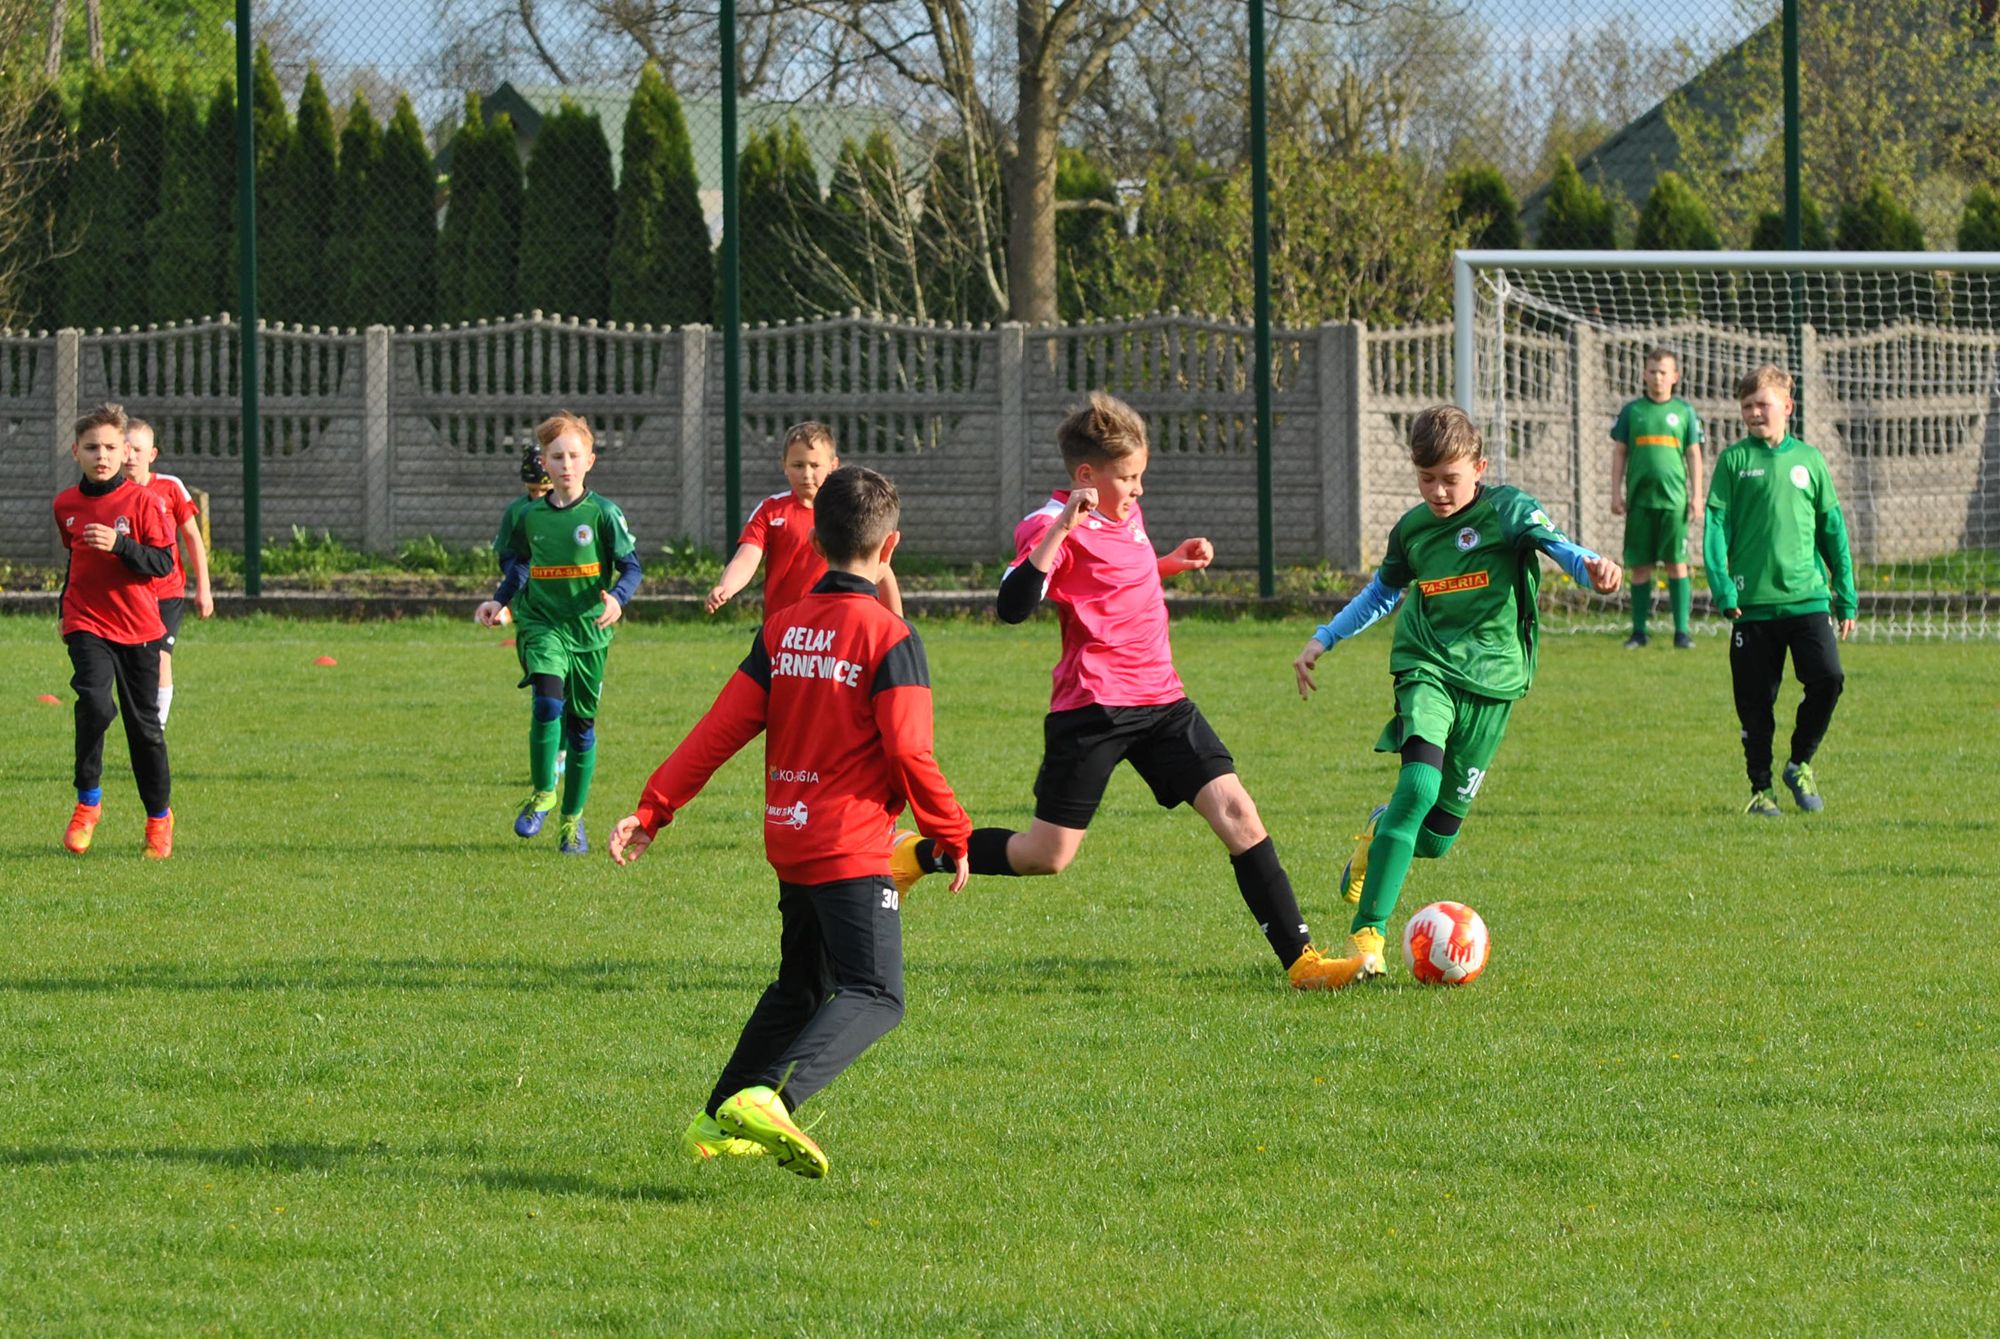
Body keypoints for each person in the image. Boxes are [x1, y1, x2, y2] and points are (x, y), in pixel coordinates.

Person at [893, 391, 1348, 990]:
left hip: (1164, 702)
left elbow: (1112, 580)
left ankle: (1303, 963)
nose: (1138, 490)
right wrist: (1062, 527)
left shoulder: (1126, 514)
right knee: (1046, 856)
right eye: (1128, 477)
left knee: (1239, 813)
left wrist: (1169, 564)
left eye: (1140, 476)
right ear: (1087, 476)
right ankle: (918, 854)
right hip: (1094, 711)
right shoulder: (1047, 525)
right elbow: (1012, 605)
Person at [609, 466, 971, 1178]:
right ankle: (771, 1098)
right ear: (889, 546)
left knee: (801, 987)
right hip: (851, 848)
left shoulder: (783, 628)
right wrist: (951, 831)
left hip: (791, 835)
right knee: (876, 992)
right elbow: (908, 748)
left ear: (817, 536)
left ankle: (714, 1120)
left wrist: (656, 807)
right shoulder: (891, 636)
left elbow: (720, 728)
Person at [1291, 405, 1621, 986]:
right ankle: (1368, 938)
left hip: (1494, 684)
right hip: (1426, 667)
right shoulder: (1413, 531)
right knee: (1416, 784)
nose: (1439, 492)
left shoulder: (1508, 510)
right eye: (1427, 479)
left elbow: (1558, 544)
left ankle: (1376, 835)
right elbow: (1380, 594)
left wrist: (1589, 565)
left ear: (1479, 467)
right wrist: (1324, 638)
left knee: (1438, 839)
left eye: (1450, 478)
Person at [475, 412, 641, 854]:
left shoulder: (604, 514)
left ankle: (572, 821)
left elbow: (631, 566)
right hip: (542, 624)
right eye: (556, 456)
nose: (565, 464)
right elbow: (519, 565)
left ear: (591, 460)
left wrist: (618, 598)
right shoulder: (531, 516)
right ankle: (543, 791)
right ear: (543, 465)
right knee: (548, 700)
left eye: (573, 455)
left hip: (588, 632)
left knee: (582, 727)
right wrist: (500, 600)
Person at [1704, 365, 1856, 817]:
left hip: (1808, 598)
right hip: (1750, 607)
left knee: (1829, 679)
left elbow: (1833, 530)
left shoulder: (1810, 461)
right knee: (1756, 705)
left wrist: (1845, 593)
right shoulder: (1733, 462)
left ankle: (1800, 763)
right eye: (1747, 406)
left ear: (1786, 407)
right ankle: (1760, 791)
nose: (1754, 413)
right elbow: (1715, 527)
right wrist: (1723, 587)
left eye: (1762, 404)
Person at [53, 403, 180, 858]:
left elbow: (163, 563)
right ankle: (87, 803)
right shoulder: (65, 505)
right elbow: (76, 560)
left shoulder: (145, 502)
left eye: (110, 447)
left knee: (145, 730)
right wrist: (64, 612)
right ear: (76, 452)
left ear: (125, 450)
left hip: (140, 628)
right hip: (87, 621)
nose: (101, 455)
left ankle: (158, 820)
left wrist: (121, 544)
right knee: (93, 701)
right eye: (91, 448)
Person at [705, 420, 904, 619]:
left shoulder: (849, 510)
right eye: (798, 465)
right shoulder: (771, 510)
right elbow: (746, 558)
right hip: (783, 626)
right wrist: (726, 587)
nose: (807, 474)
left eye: (815, 465)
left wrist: (898, 623)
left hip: (836, 624)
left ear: (833, 465)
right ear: (784, 465)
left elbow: (881, 567)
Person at [1610, 346, 1704, 649]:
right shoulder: (1632, 411)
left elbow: (1693, 454)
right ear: (1644, 375)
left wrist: (1697, 495)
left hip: (1674, 502)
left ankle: (1682, 632)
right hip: (1639, 501)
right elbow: (1620, 453)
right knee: (1640, 566)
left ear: (1675, 376)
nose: (1658, 377)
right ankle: (1638, 631)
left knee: (1677, 564)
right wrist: (1615, 491)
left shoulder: (1684, 412)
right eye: (1652, 371)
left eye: (1664, 372)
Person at [122, 418, 213, 727]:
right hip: (130, 594)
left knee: (161, 657)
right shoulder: (112, 492)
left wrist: (204, 588)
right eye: (126, 449)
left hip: (167, 592)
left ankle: (155, 730)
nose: (131, 456)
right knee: (135, 663)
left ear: (152, 454)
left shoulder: (170, 487)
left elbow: (192, 537)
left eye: (138, 449)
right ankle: (142, 723)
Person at [493, 441, 563, 782]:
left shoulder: (582, 512)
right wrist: (513, 584)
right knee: (544, 687)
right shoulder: (518, 513)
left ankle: (563, 749)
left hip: (573, 617)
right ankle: (546, 769)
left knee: (572, 697)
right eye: (532, 490)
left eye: (544, 489)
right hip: (532, 614)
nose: (538, 496)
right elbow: (508, 556)